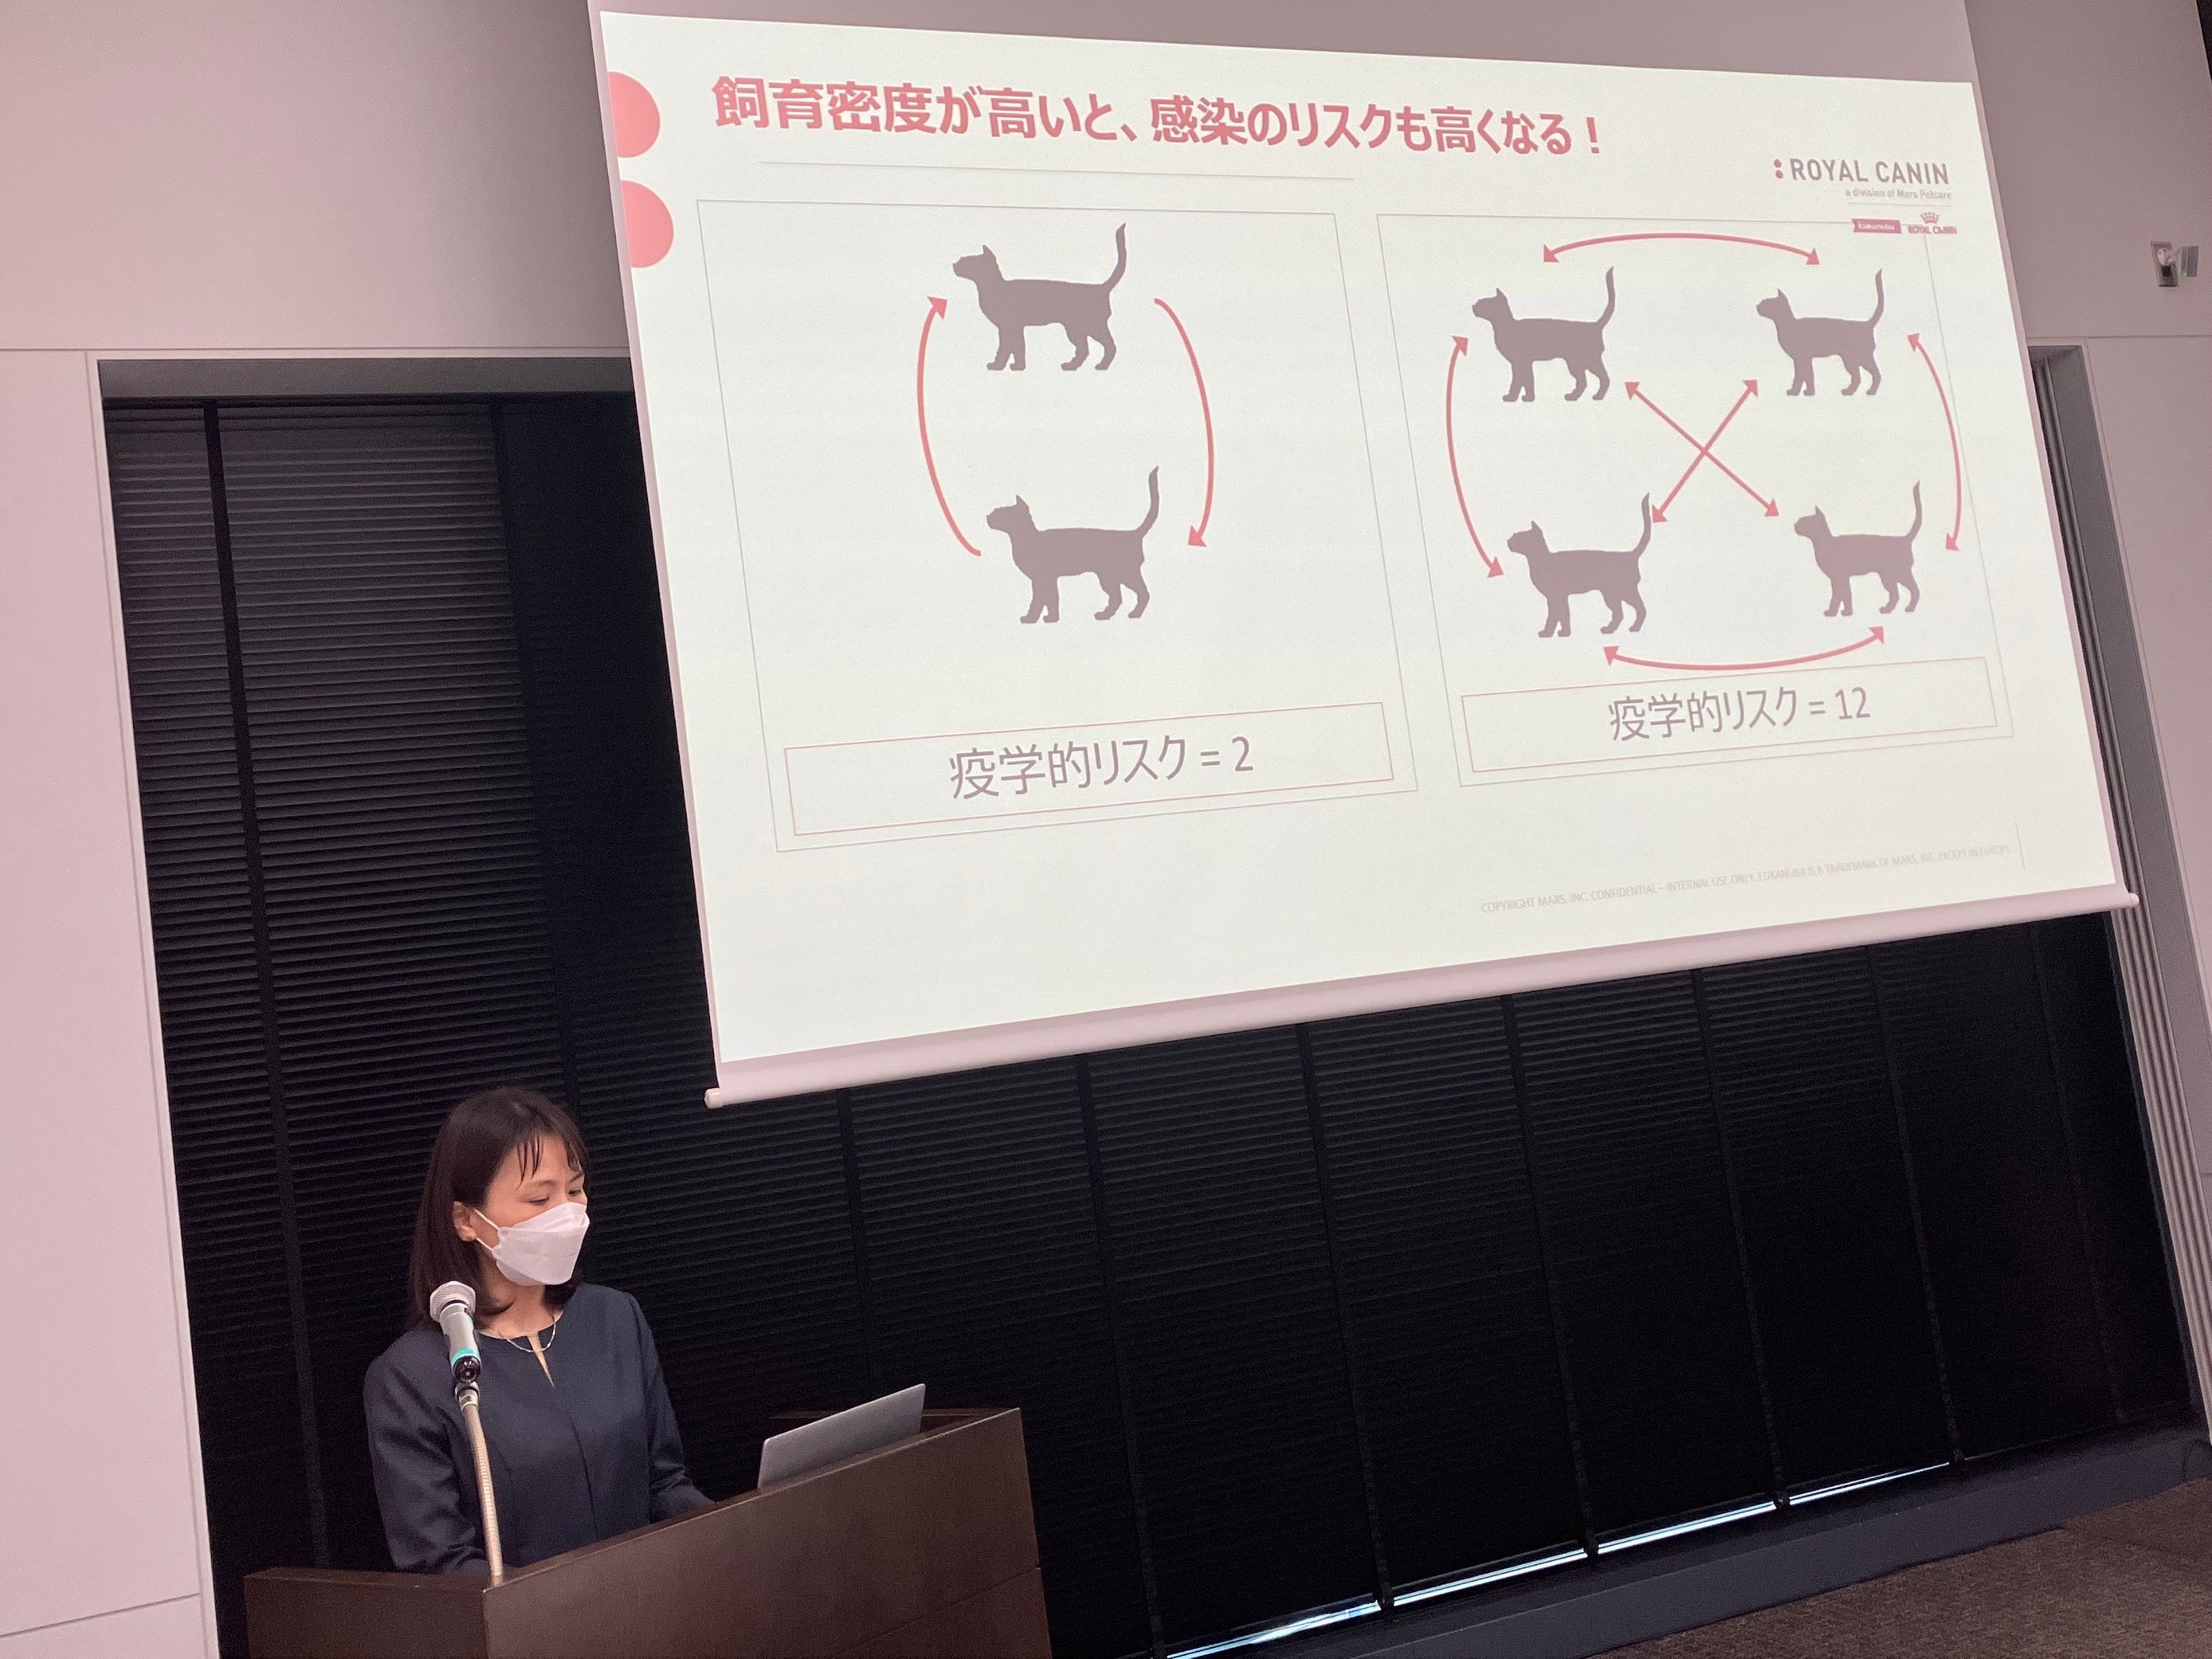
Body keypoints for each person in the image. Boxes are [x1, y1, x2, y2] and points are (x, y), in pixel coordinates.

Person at [364, 1085, 712, 1572]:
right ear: (466, 1220)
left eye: (574, 1191)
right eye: (539, 1198)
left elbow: (665, 1485)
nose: (566, 1214)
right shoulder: (411, 1376)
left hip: (652, 1599)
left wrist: (739, 1534)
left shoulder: (615, 1317)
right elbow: (442, 1563)